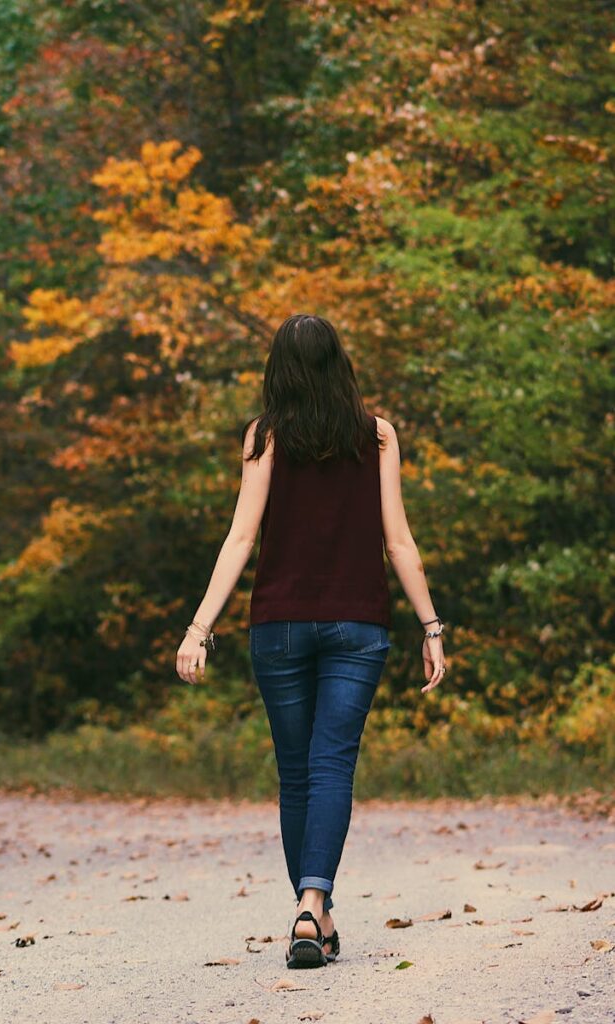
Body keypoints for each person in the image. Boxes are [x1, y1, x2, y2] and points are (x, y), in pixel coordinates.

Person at [176, 313, 447, 969]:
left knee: (295, 772)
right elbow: (398, 540)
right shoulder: (376, 436)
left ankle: (309, 911)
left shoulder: (264, 436)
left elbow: (240, 537)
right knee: (330, 766)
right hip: (359, 625)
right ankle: (313, 905)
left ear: (279, 370)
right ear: (340, 362)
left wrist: (199, 627)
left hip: (279, 625)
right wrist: (431, 625)